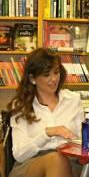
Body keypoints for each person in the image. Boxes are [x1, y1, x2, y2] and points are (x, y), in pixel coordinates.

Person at [7, 48, 84, 177]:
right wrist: (47, 133)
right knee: (56, 160)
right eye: (47, 74)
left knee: (60, 160)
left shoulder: (73, 100)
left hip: (70, 161)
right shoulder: (21, 106)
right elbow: (19, 154)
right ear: (33, 78)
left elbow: (81, 140)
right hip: (31, 163)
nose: (54, 79)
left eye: (56, 72)